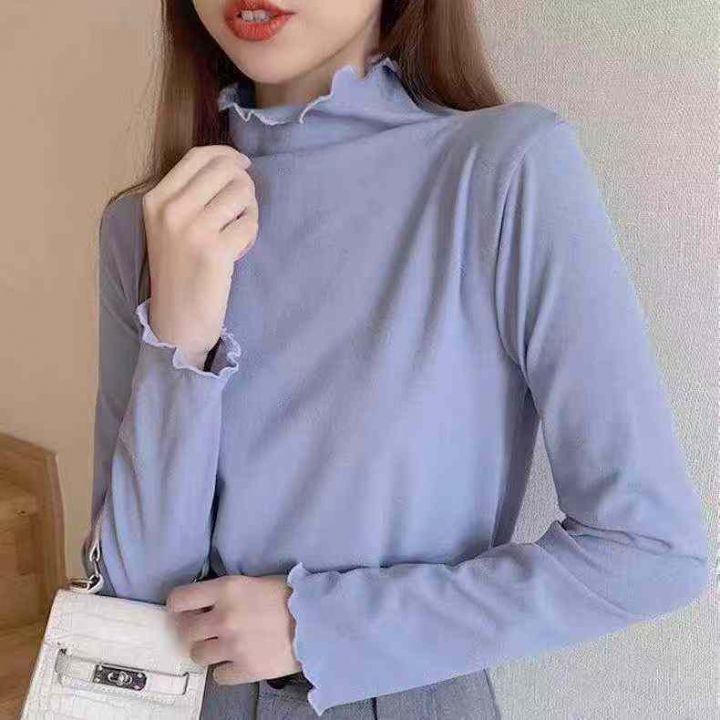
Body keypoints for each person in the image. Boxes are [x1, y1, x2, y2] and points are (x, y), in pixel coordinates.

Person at [83, 0, 711, 718]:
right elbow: (131, 600)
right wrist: (181, 336)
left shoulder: (502, 170)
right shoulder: (147, 224)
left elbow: (649, 552)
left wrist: (321, 626)